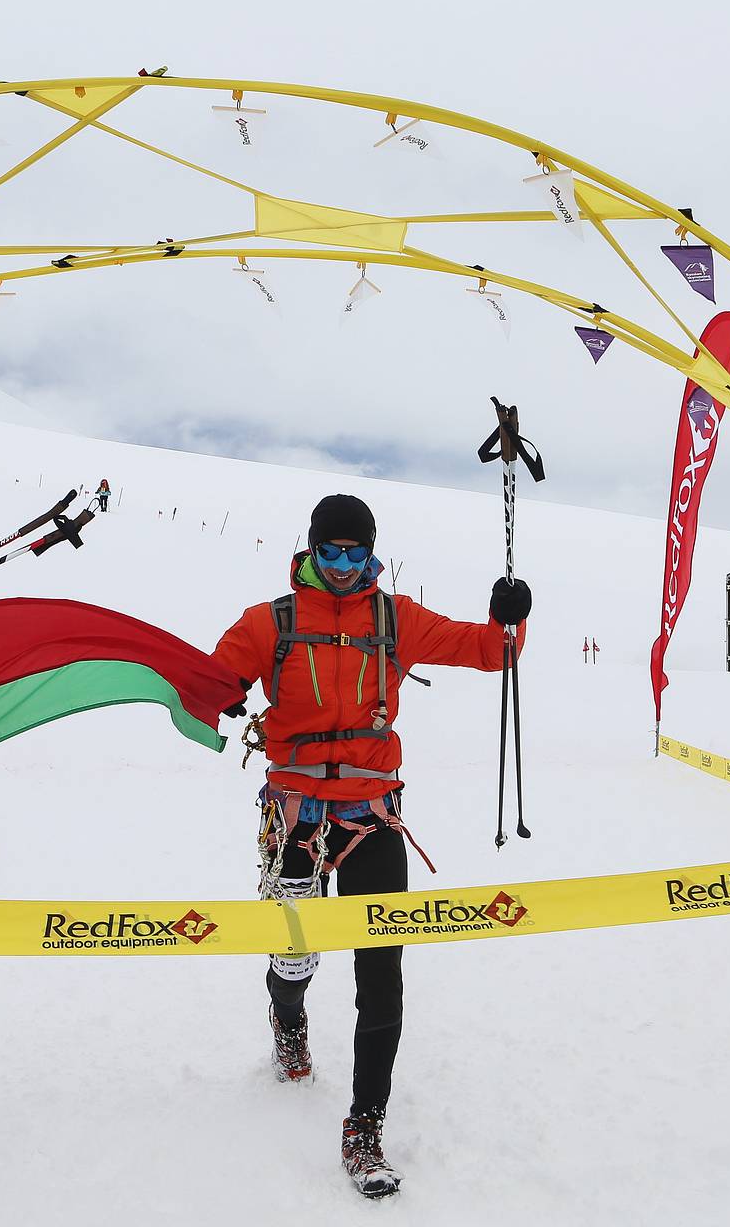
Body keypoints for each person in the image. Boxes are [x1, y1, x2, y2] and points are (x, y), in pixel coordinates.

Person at [211, 494, 530, 1200]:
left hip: (373, 817)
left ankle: (365, 1122)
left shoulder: (395, 619)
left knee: (381, 970)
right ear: (312, 550)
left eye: (358, 554)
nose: (346, 566)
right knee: (293, 958)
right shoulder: (272, 622)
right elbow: (214, 677)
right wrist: (217, 692)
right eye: (333, 553)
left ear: (373, 553)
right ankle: (287, 1019)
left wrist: (510, 618)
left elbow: (486, 651)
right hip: (295, 818)